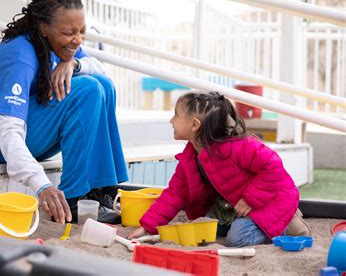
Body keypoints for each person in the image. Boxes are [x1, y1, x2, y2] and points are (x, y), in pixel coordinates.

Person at [0, 0, 128, 224]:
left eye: (82, 31)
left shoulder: (58, 44)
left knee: (103, 84)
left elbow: (102, 70)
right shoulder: (21, 57)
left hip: (25, 128)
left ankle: (103, 189)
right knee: (88, 89)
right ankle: (73, 197)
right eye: (69, 33)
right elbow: (8, 133)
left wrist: (74, 64)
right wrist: (42, 185)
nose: (77, 40)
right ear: (43, 28)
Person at [127, 91, 311, 247]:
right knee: (201, 230)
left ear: (194, 125)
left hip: (267, 201)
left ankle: (287, 223)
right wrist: (147, 226)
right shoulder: (191, 157)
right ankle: (253, 224)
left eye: (176, 114)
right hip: (229, 207)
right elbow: (174, 194)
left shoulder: (237, 147)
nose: (171, 120)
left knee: (236, 240)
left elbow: (273, 167)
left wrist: (250, 199)